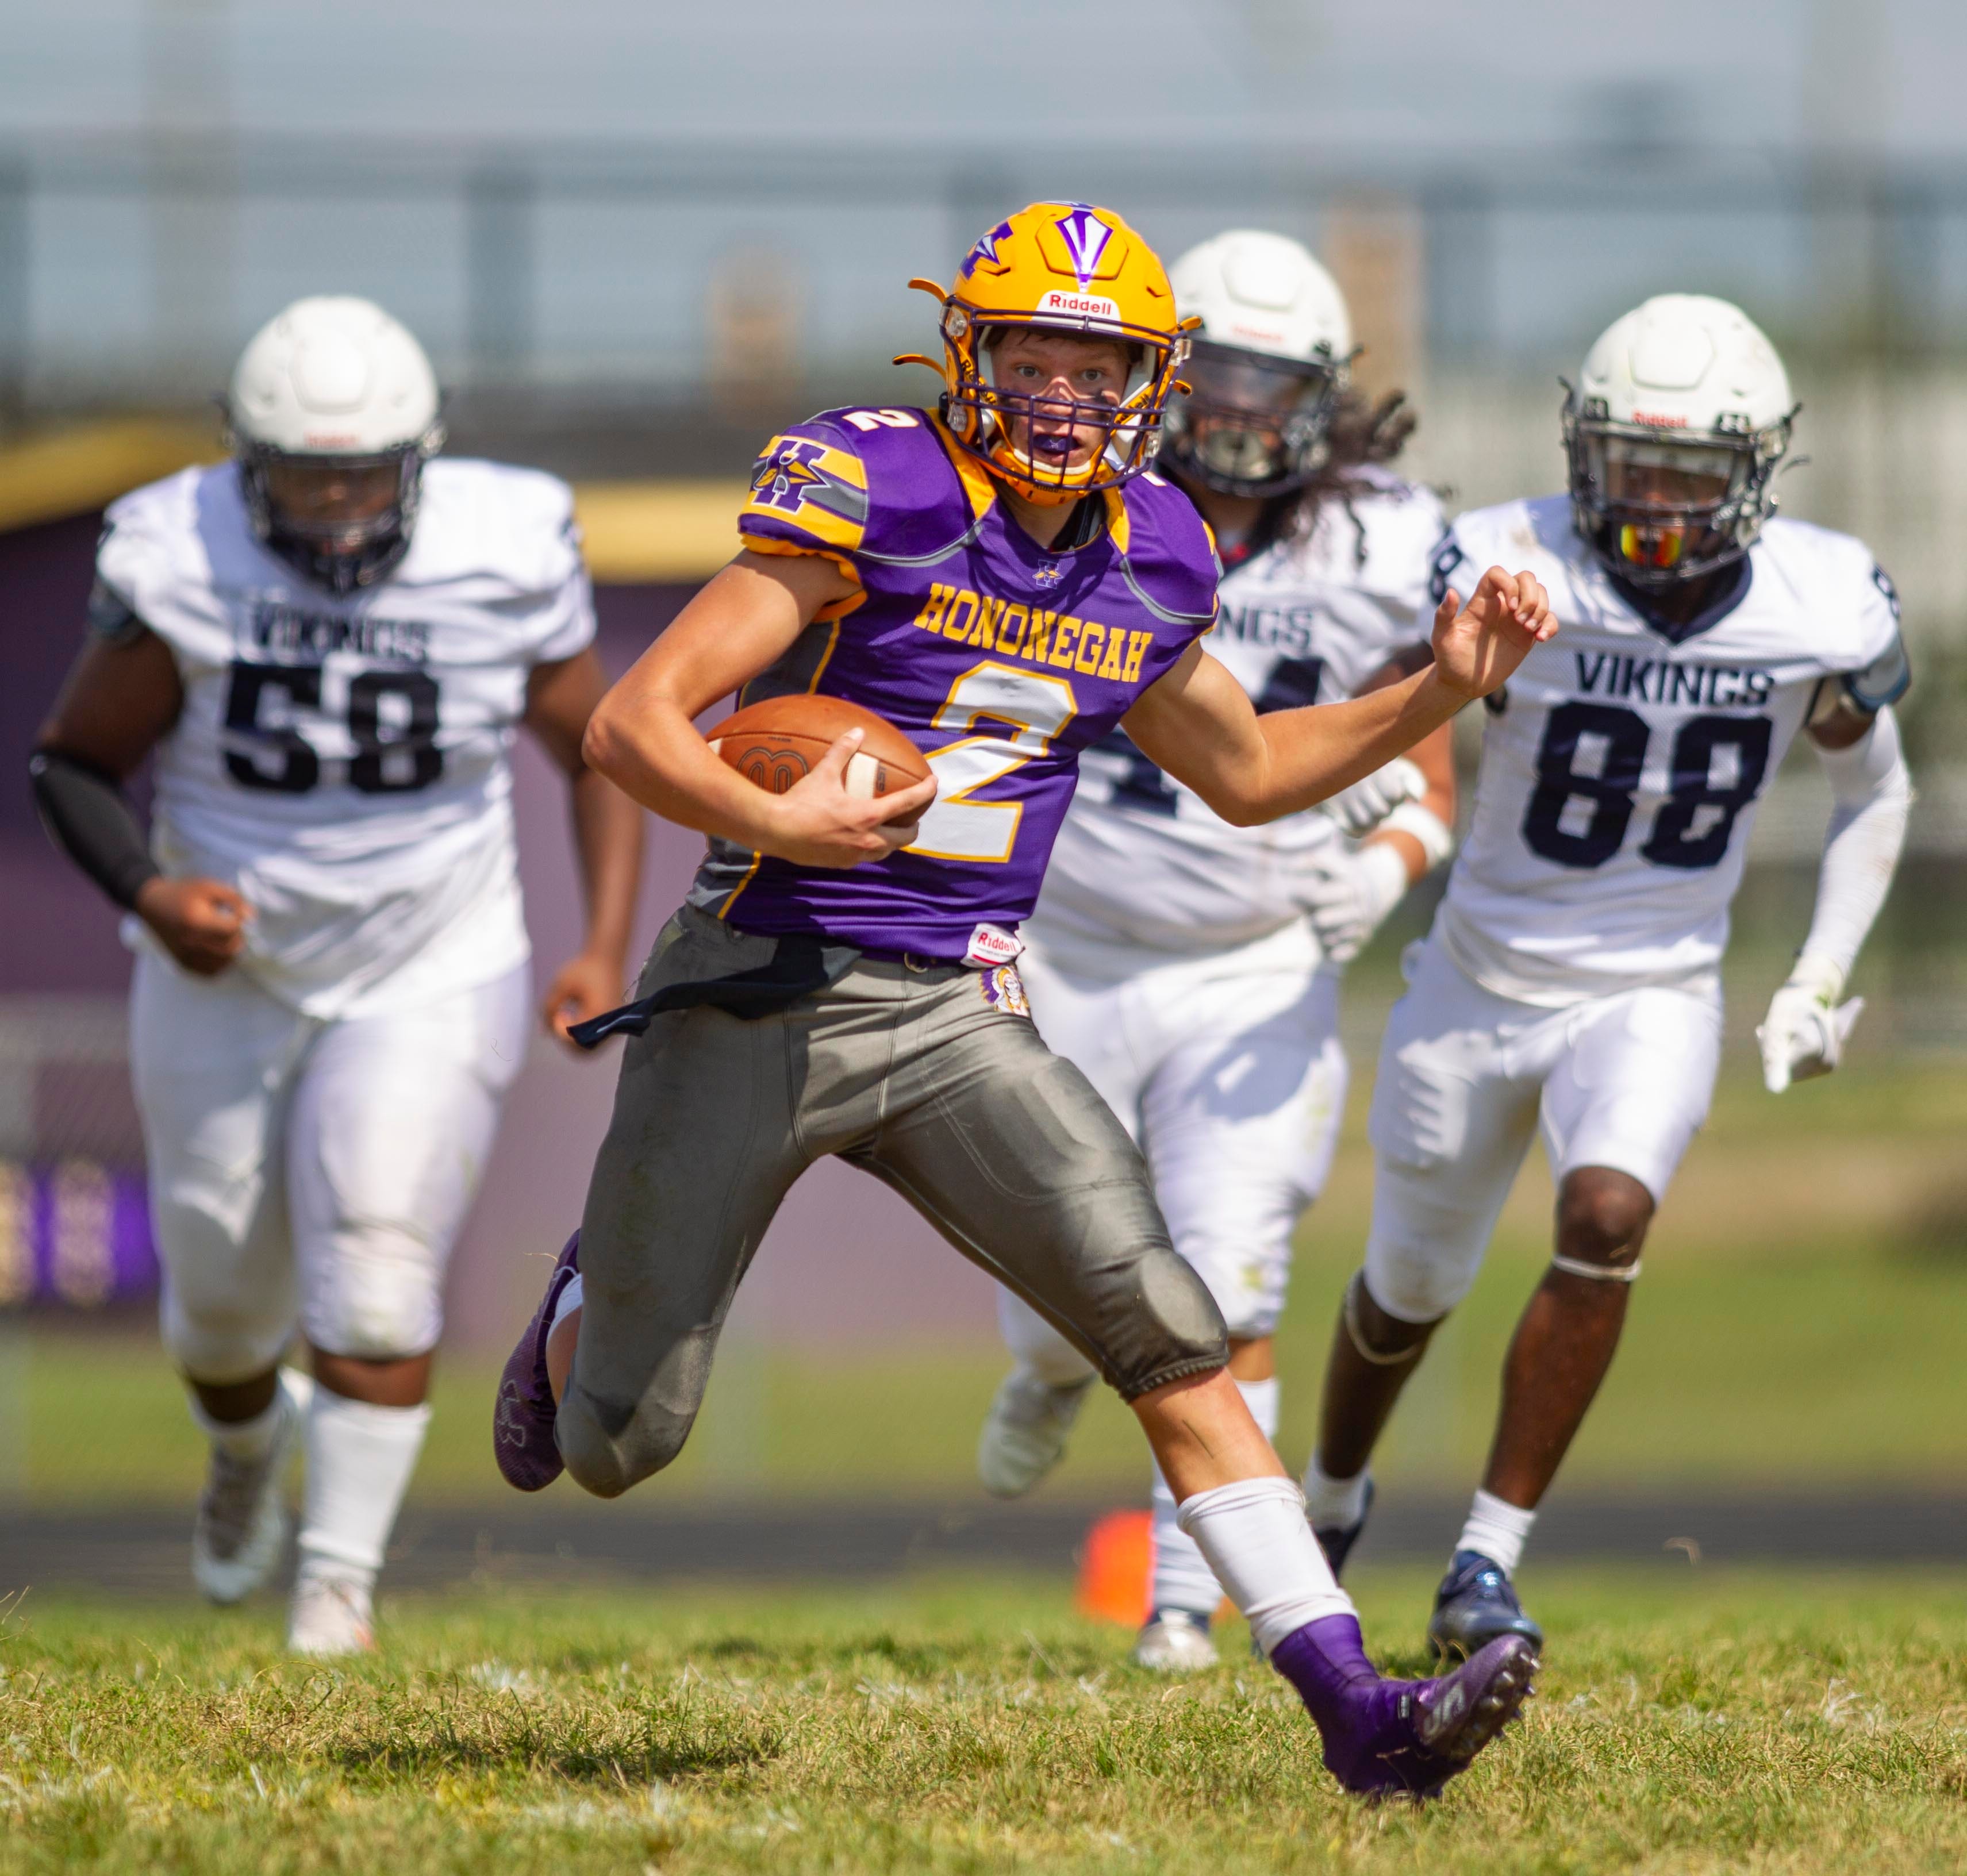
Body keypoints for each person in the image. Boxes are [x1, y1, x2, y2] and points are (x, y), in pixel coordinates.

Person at [494, 202, 1553, 1798]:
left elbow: (1253, 772)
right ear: (967, 355)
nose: (1062, 392)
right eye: (1033, 355)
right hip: (756, 983)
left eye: (1097, 361)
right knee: (614, 1448)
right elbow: (635, 724)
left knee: (1168, 1329)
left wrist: (1442, 686)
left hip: (949, 1013)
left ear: (1150, 379)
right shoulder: (878, 486)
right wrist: (773, 818)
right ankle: (589, 1304)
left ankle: (1358, 1715)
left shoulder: (1152, 545)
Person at [1302, 293, 1913, 1662]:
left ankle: (1484, 1564)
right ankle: (1331, 1493)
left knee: (1608, 1209)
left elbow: (1876, 792)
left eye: (1688, 474)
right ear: (1582, 448)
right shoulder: (1508, 560)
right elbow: (1408, 696)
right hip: (1476, 976)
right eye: (1631, 463)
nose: (1652, 499)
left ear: (1754, 472)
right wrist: (1367, 788)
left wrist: (1816, 978)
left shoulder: (1820, 599)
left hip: (1653, 984)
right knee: (1406, 1284)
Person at [31, 295, 643, 1656]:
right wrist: (148, 890)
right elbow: (68, 764)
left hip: (431, 954)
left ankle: (335, 1592)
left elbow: (598, 752)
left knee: (375, 1266)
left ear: (421, 460)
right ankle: (243, 1456)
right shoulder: (176, 549)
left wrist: (600, 941)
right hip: (228, 966)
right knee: (224, 1309)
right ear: (246, 466)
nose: (335, 508)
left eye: (362, 475)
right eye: (304, 478)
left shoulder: (502, 543)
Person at [974, 229, 1457, 1673]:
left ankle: (1182, 1602)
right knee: (1068, 1296)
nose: (1241, 413)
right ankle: (1043, 1367)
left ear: (1322, 394)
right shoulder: (1071, 512)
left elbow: (1426, 754)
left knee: (1228, 1279)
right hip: (1061, 944)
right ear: (1165, 378)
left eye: (1273, 382)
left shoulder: (1384, 540)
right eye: (1219, 377)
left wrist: (1394, 861)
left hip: (1252, 960)